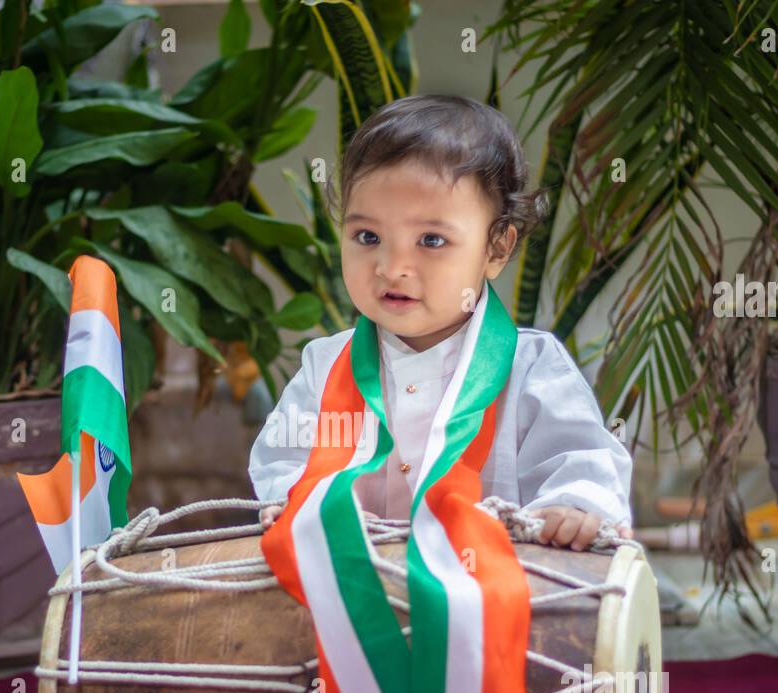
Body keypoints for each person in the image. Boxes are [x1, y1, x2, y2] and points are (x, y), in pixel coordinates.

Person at [248, 94, 633, 549]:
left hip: (494, 596)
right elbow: (284, 461)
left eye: (431, 239)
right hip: (361, 591)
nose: (391, 267)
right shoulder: (325, 365)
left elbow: (580, 461)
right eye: (367, 236)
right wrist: (290, 497)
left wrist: (573, 508)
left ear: (497, 249)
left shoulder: (532, 367)